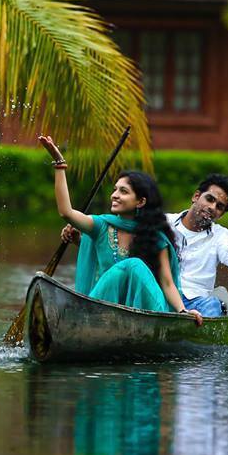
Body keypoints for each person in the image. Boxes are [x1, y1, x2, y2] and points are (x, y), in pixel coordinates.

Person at [39, 135, 204, 325]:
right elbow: (66, 212)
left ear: (140, 202)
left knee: (134, 265)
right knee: (126, 268)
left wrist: (182, 311)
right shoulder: (101, 226)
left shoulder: (155, 237)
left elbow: (167, 283)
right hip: (104, 307)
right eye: (115, 189)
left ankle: (155, 324)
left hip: (143, 311)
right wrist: (60, 164)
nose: (115, 195)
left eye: (123, 192)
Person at [63, 173, 228, 318]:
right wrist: (81, 241)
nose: (212, 207)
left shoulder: (221, 236)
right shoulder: (160, 223)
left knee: (213, 304)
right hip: (155, 295)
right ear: (196, 196)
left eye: (219, 207)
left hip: (197, 302)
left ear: (221, 214)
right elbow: (122, 253)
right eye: (209, 199)